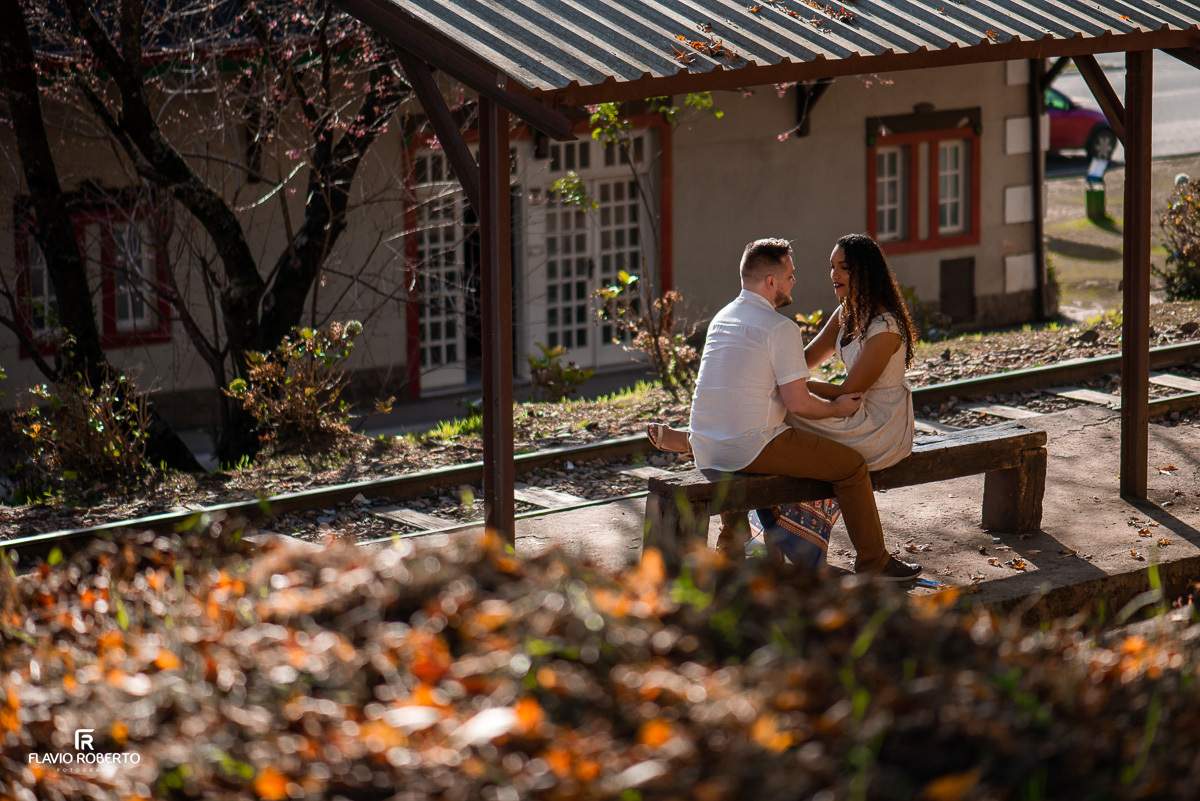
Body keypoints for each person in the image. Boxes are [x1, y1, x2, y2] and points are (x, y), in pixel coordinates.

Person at [670, 237, 921, 580]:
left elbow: (846, 392)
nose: (832, 274)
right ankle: (872, 562)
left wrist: (784, 382)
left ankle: (695, 446)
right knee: (783, 421)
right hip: (820, 418)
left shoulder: (885, 328)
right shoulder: (835, 315)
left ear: (865, 272)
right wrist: (785, 381)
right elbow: (802, 365)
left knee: (780, 413)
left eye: (842, 267)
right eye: (831, 266)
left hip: (875, 421)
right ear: (771, 281)